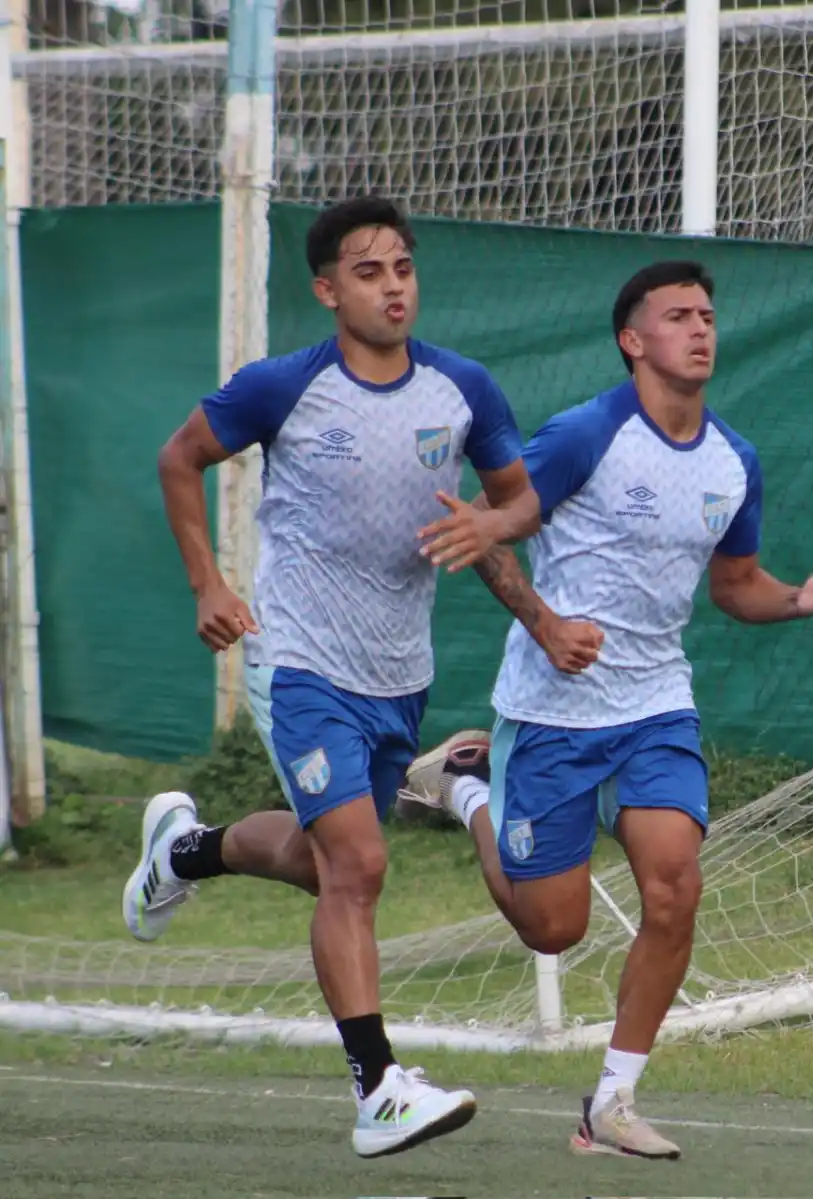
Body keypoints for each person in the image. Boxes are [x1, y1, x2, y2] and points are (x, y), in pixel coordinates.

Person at [120, 197, 541, 1158]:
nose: (393, 285)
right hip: (297, 658)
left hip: (400, 674)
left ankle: (186, 851)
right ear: (326, 289)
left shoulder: (463, 388)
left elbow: (519, 501)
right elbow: (179, 457)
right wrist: (208, 583)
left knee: (326, 864)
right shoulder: (283, 386)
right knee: (359, 866)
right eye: (368, 271)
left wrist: (491, 523)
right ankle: (378, 1087)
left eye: (403, 267)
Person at [408, 260, 813, 1160]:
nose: (700, 328)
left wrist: (796, 599)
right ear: (633, 339)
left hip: (656, 708)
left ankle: (609, 1103)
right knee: (554, 927)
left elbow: (735, 585)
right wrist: (538, 613)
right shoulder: (586, 433)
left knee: (674, 885)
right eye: (677, 315)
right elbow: (505, 519)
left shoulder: (735, 462)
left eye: (707, 315)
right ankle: (469, 790)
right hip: (553, 714)